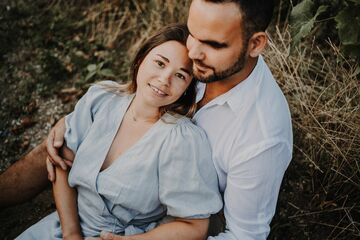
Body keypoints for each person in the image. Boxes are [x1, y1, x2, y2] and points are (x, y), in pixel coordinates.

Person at [1, 0, 293, 239]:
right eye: (192, 34)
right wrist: (73, 121)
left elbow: (243, 237)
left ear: (255, 44)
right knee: (57, 146)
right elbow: (145, 87)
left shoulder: (264, 136)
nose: (192, 53)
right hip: (124, 175)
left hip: (180, 219)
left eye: (213, 45)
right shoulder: (201, 59)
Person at [15, 23, 223, 239]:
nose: (164, 79)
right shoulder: (102, 98)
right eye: (160, 63)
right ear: (142, 58)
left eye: (181, 75)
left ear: (188, 87)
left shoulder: (181, 140)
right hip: (65, 224)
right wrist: (71, 234)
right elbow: (61, 164)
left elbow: (195, 226)